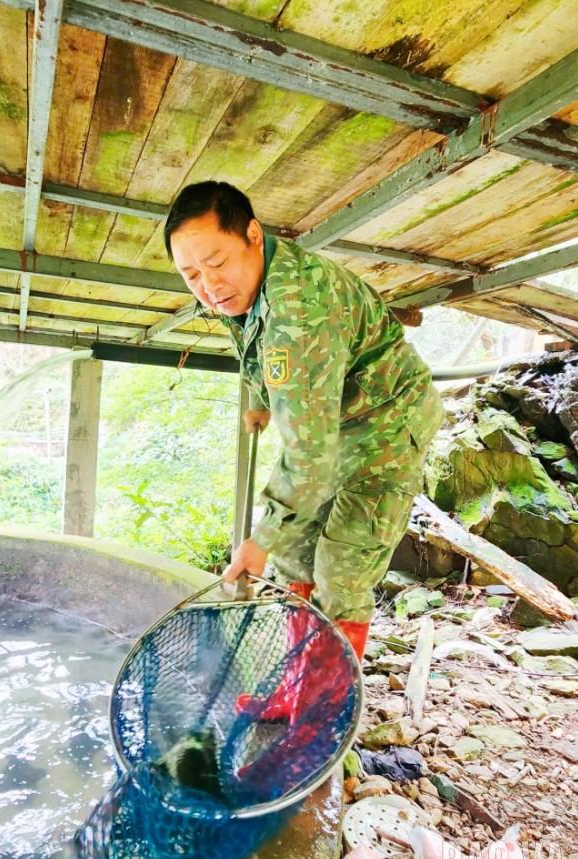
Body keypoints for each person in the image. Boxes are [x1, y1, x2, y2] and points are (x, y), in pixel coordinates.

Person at [164, 181, 443, 661]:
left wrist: (257, 541)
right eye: (191, 275)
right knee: (294, 552)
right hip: (336, 415)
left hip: (388, 423)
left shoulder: (301, 311)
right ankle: (300, 681)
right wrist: (259, 398)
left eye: (216, 263)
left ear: (253, 234)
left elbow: (308, 456)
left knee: (341, 568)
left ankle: (323, 704)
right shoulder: (243, 285)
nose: (208, 287)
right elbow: (254, 340)